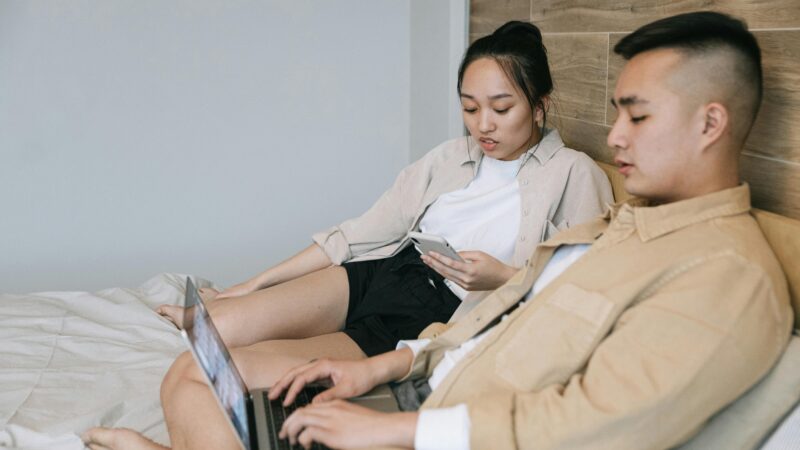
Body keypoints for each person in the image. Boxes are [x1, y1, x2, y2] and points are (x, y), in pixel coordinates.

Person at [87, 10, 794, 450]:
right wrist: (386, 368)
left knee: (199, 383)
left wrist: (395, 423)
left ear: (710, 122)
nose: (614, 135)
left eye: (636, 116)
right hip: (414, 367)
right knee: (195, 369)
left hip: (433, 407)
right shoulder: (619, 230)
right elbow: (491, 320)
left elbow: (598, 423)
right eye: (615, 113)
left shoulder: (724, 275)